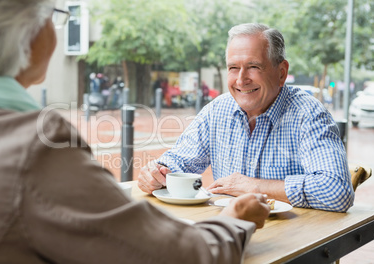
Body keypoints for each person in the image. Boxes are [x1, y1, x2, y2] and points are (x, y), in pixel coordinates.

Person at [0, 2, 270, 264]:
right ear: (30, 33)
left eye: (253, 66)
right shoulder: (36, 145)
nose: (241, 78)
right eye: (54, 16)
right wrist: (234, 221)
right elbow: (177, 257)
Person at [138, 23, 355, 213]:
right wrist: (157, 173)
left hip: (294, 245)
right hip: (232, 236)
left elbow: (337, 191)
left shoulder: (308, 115)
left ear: (281, 72)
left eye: (253, 67)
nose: (241, 80)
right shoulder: (217, 110)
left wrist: (255, 187)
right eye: (233, 68)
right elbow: (180, 162)